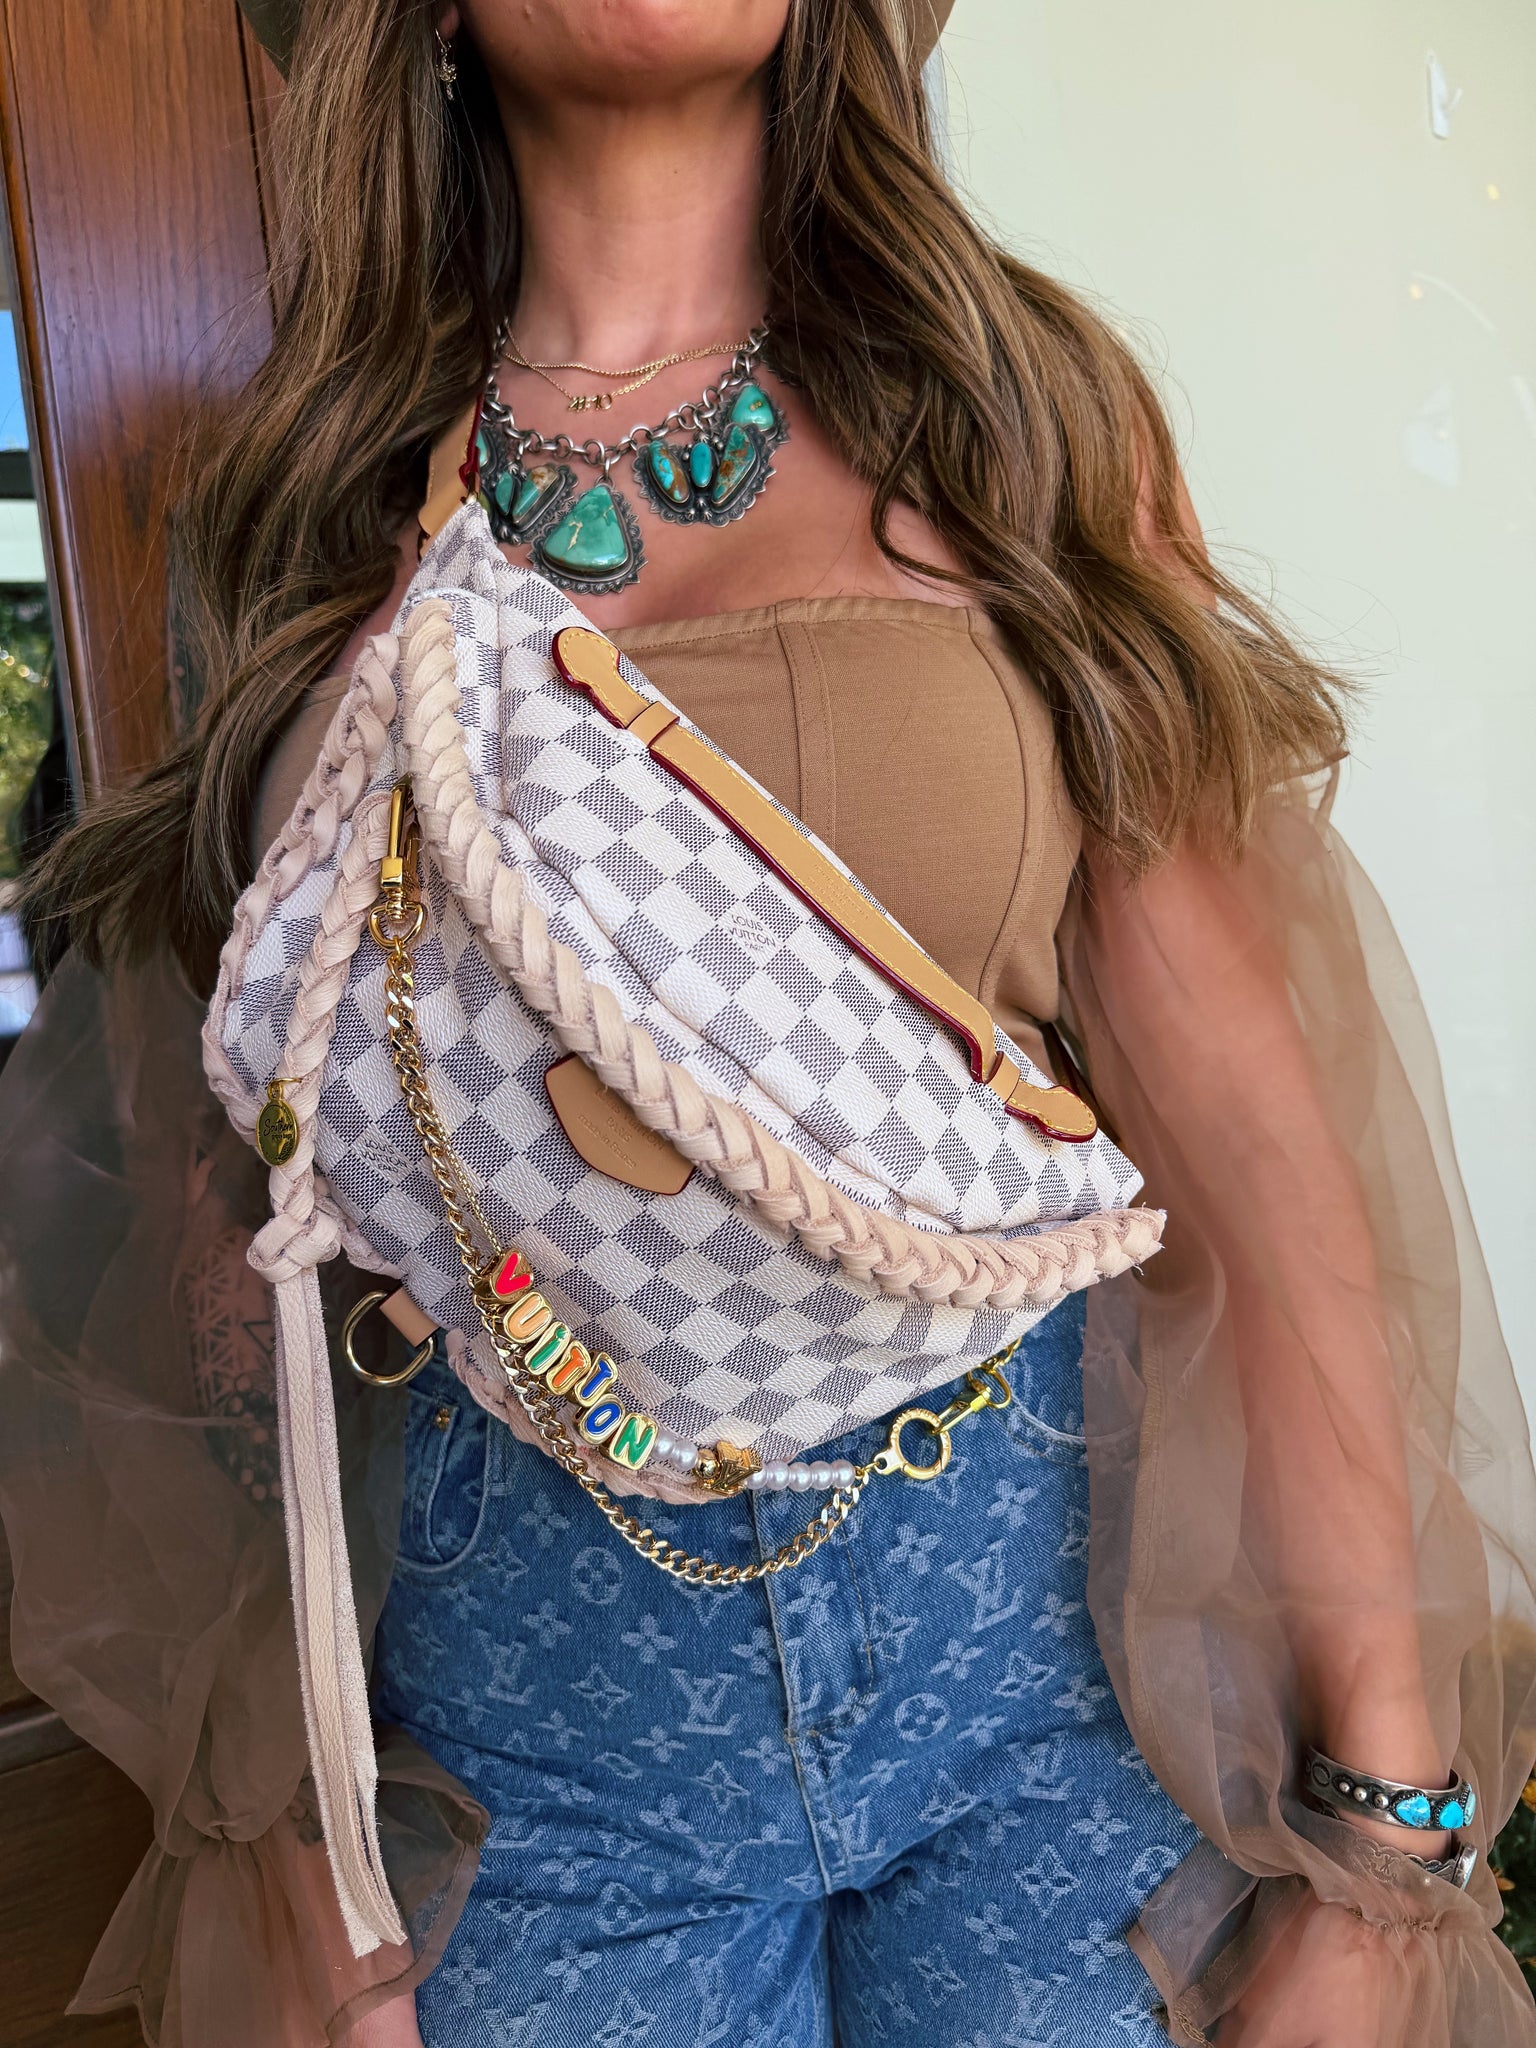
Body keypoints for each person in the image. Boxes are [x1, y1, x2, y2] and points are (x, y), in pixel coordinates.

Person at [1, 2, 1533, 2043]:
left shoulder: (1018, 417)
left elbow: (1253, 1133)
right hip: (523, 1713)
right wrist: (296, 1824)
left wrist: (1387, 1836)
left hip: (1042, 1662)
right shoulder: (306, 499)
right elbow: (240, 1224)